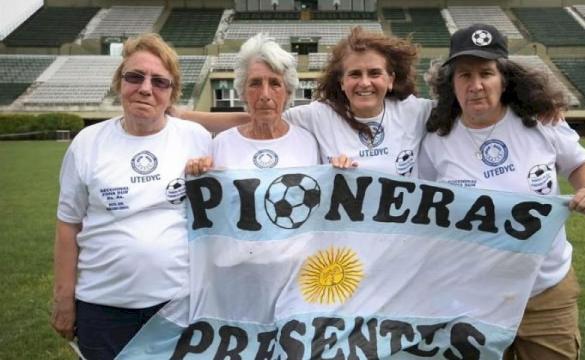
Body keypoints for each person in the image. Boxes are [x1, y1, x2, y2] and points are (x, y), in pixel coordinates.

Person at [419, 24, 585, 360]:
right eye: (465, 75)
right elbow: (423, 203)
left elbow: (580, 164)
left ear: (503, 78)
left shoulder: (540, 121)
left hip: (546, 289)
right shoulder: (436, 140)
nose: (476, 86)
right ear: (452, 82)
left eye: (486, 73)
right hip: (475, 296)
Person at [51, 33, 212, 359]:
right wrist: (63, 298)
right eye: (134, 77)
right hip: (103, 308)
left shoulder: (196, 138)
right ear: (119, 83)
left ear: (172, 93)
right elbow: (68, 225)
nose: (145, 88)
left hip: (179, 306)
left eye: (160, 82)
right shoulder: (87, 143)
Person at [178, 26, 434, 177]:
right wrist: (180, 116)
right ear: (341, 82)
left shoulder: (415, 111)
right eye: (355, 74)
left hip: (403, 252)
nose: (365, 83)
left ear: (390, 79)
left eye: (375, 73)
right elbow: (261, 115)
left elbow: (462, 113)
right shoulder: (320, 116)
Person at [186, 33, 318, 174]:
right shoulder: (221, 144)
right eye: (255, 83)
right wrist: (198, 169)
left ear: (288, 92)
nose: (265, 95)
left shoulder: (308, 143)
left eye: (275, 83)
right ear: (242, 92)